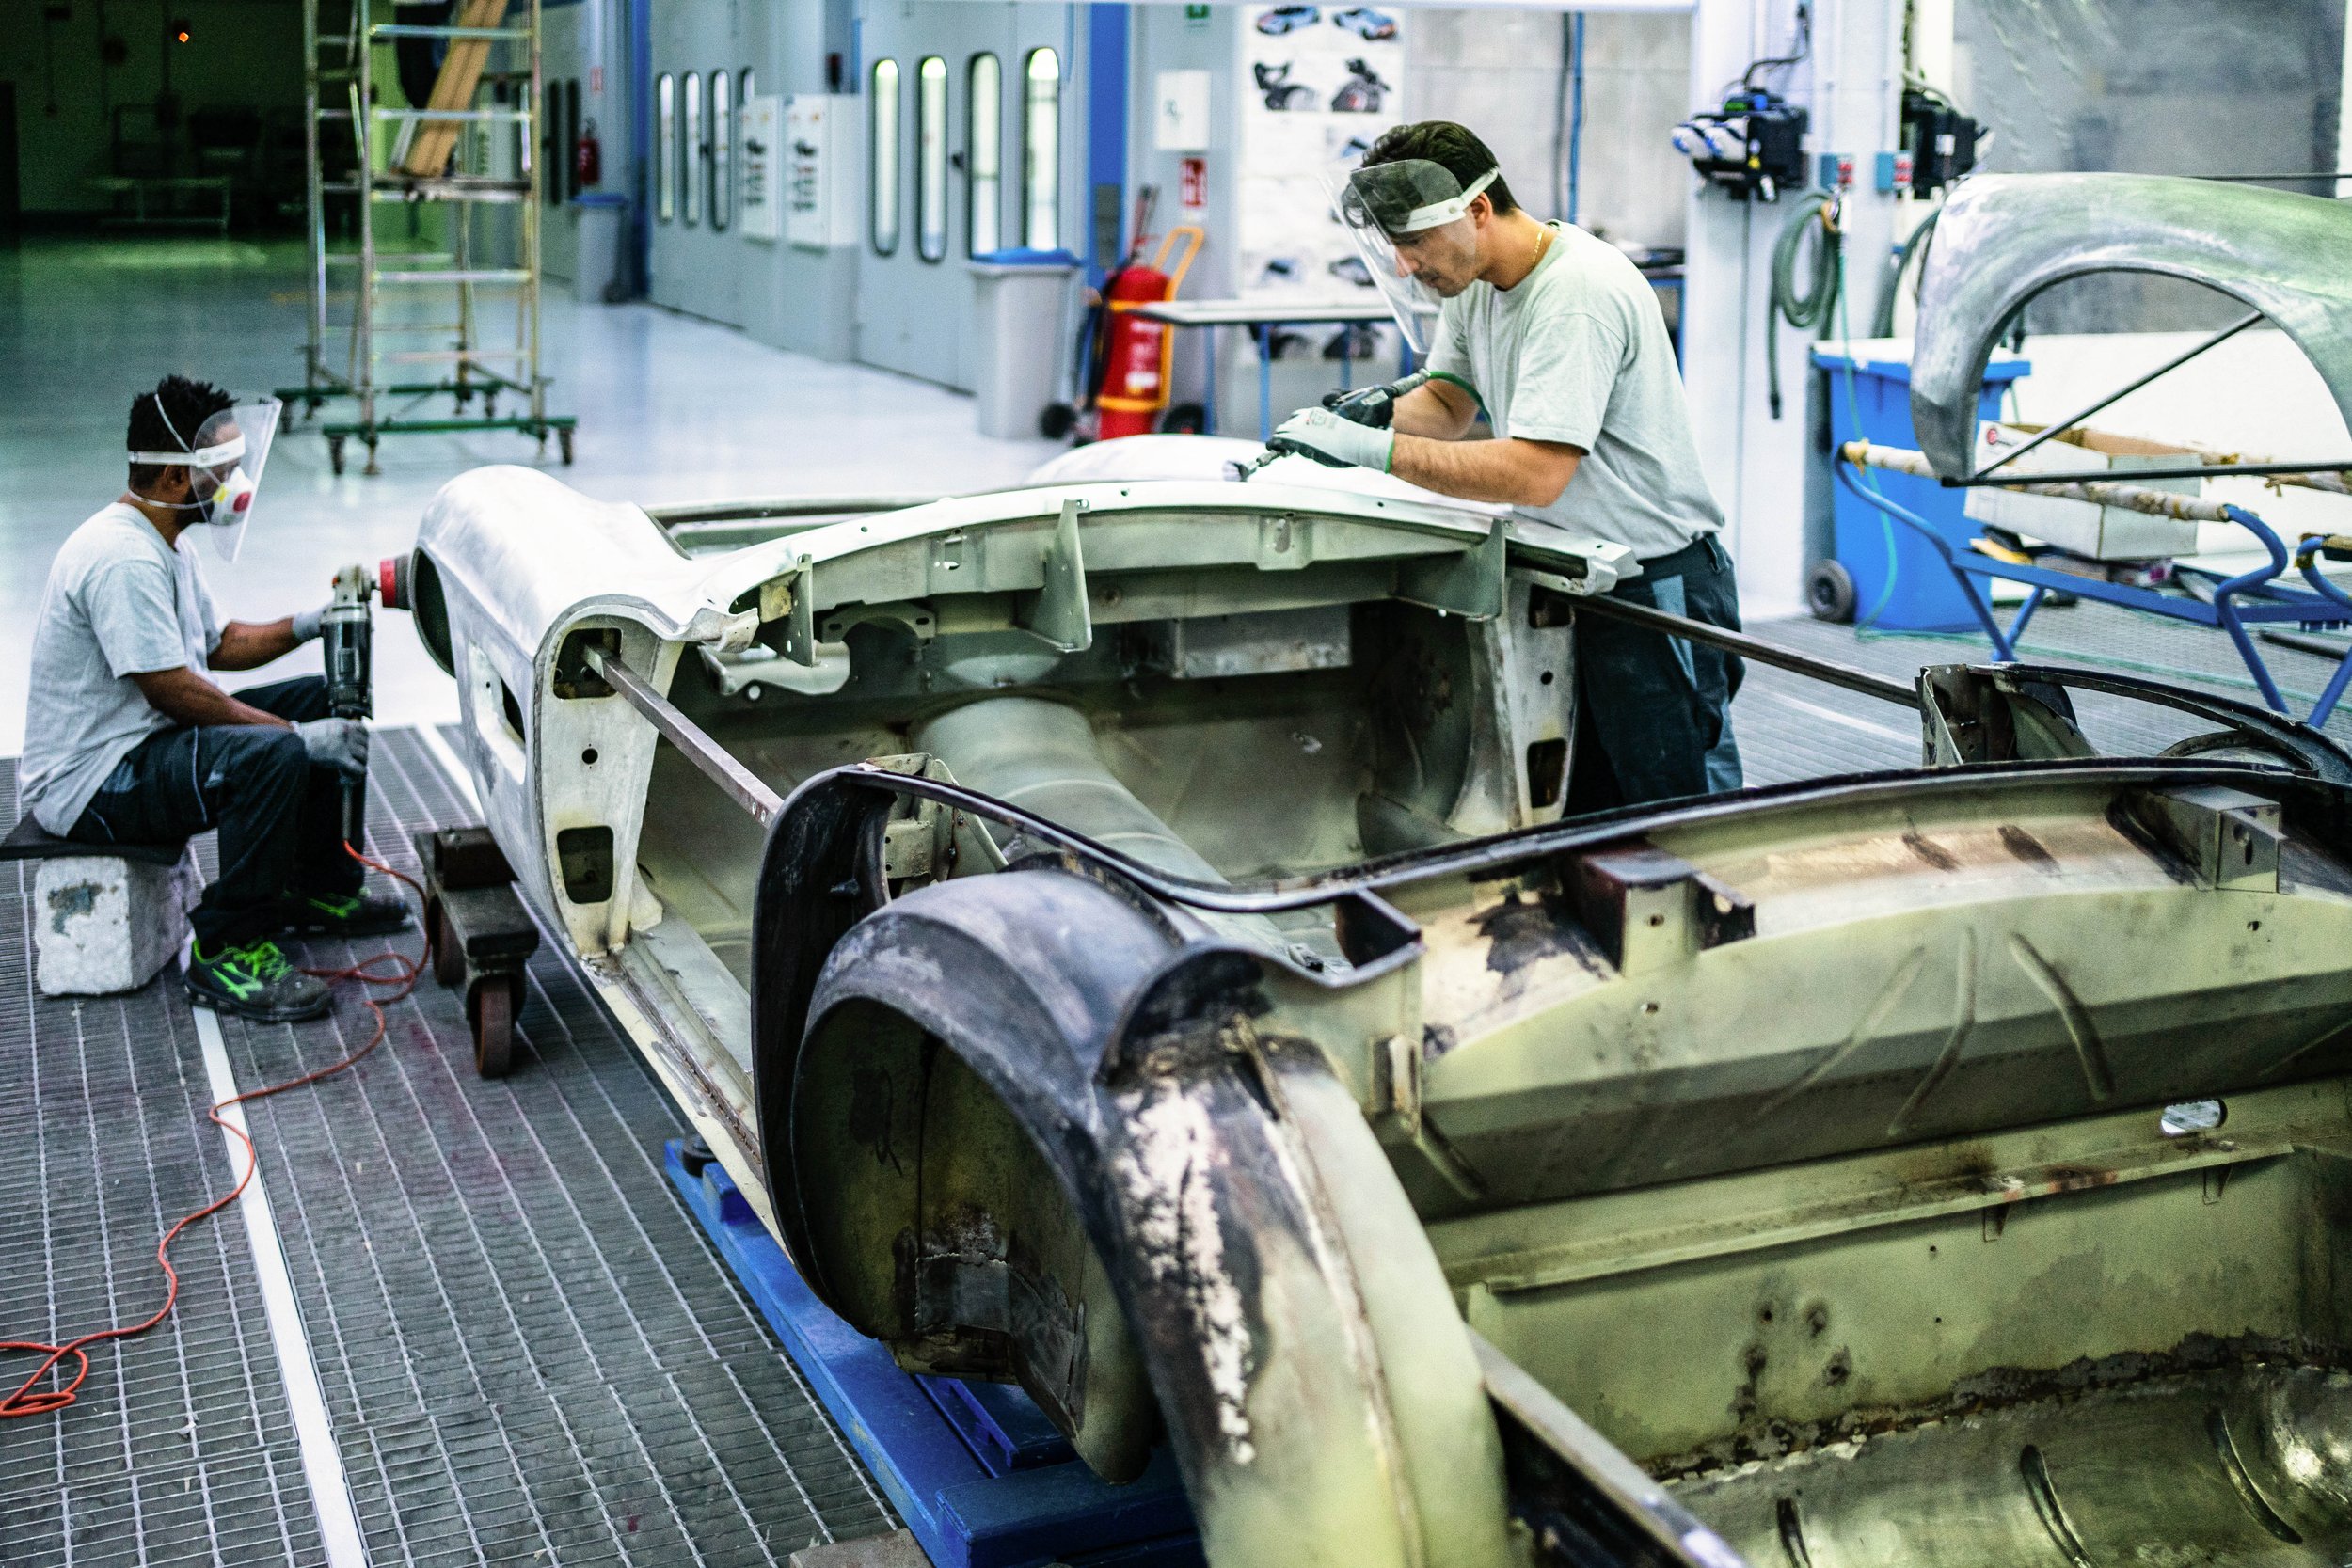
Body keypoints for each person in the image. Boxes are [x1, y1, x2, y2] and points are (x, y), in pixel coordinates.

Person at [1269, 121, 1742, 809]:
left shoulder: (1576, 294)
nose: (1405, 266)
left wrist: (1377, 453)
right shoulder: (1476, 283)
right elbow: (1449, 400)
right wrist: (1362, 417)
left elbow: (1535, 474)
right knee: (1581, 816)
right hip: (1575, 580)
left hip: (1653, 592)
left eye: (1413, 244)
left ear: (1478, 211)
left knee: (1678, 825)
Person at [19, 375, 407, 1023]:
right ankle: (230, 945)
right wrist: (289, 736)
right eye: (221, 472)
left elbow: (220, 643)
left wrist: (311, 622)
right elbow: (170, 688)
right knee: (273, 752)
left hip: (140, 743)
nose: (235, 486)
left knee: (317, 698)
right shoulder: (121, 558)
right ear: (174, 478)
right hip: (90, 784)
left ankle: (314, 887)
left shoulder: (167, 544)